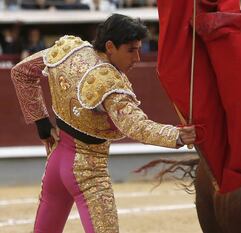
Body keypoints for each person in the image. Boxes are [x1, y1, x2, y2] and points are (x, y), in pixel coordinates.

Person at [10, 14, 196, 233]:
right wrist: (177, 135)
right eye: (131, 50)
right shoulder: (108, 82)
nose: (137, 57)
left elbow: (21, 73)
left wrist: (42, 124)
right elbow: (134, 126)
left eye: (139, 49)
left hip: (56, 161)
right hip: (89, 169)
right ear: (110, 46)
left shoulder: (70, 50)